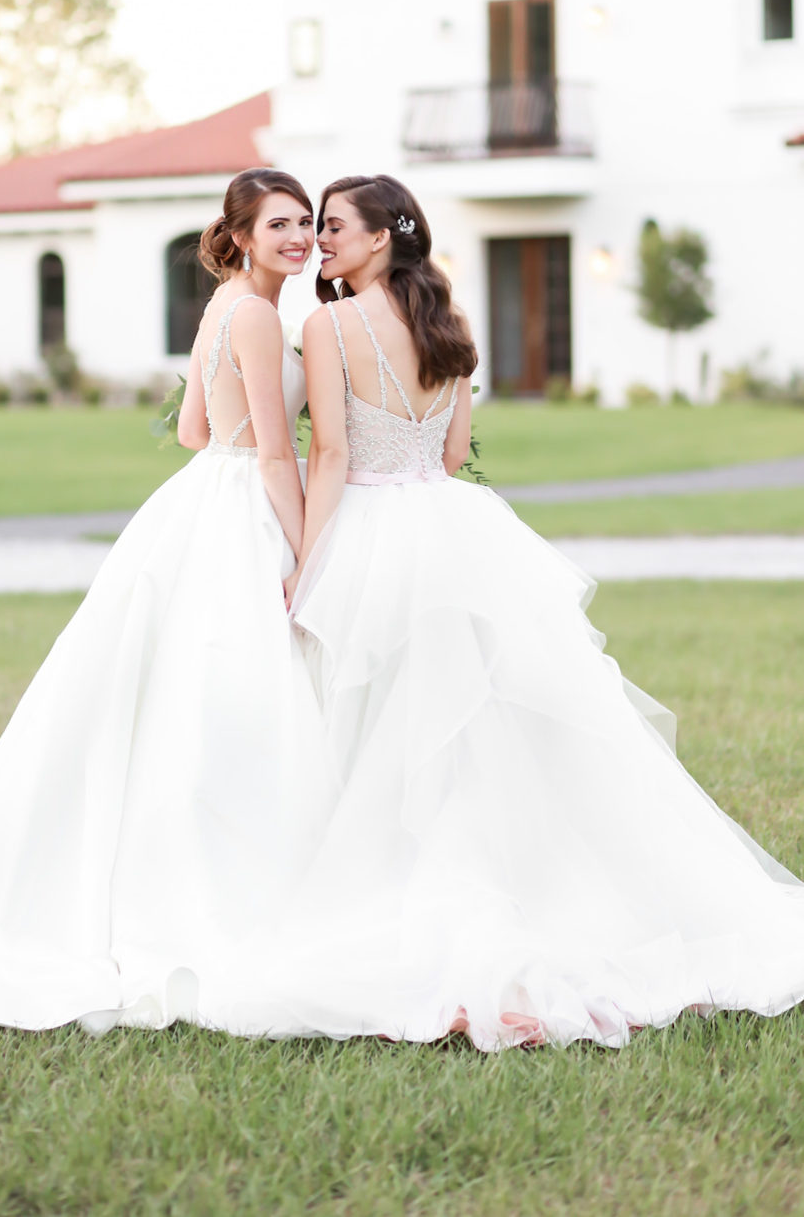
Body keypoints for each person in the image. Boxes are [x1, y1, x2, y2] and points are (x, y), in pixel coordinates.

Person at [0, 167, 332, 1034]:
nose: (298, 238)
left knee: (174, 695)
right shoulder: (261, 315)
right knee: (238, 690)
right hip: (242, 514)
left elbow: (193, 430)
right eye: (279, 226)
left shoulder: (223, 304)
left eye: (305, 222)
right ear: (241, 236)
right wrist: (309, 552)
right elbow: (271, 454)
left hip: (194, 502)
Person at [278, 173, 804, 1052]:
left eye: (335, 228)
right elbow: (450, 454)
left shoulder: (327, 326)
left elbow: (329, 451)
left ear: (380, 239)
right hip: (452, 525)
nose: (322, 241)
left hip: (372, 525)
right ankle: (521, 877)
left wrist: (307, 563)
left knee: (385, 720)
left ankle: (402, 884)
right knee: (478, 721)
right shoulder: (450, 327)